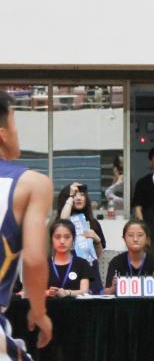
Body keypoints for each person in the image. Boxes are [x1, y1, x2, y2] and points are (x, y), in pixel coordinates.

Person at [0, 94, 53, 353]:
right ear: (2, 134)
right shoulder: (31, 183)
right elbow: (33, 260)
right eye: (15, 123)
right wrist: (39, 311)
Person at [56, 181, 105, 293]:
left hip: (92, 275)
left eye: (82, 195)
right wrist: (70, 196)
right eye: (75, 195)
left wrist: (97, 239)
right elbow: (63, 221)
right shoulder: (60, 224)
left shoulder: (93, 223)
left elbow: (98, 255)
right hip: (70, 274)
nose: (79, 198)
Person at [104, 219, 154, 293]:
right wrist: (113, 289)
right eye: (130, 235)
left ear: (147, 239)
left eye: (140, 235)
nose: (135, 239)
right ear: (124, 238)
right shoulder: (116, 262)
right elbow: (106, 291)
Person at [45, 219, 91, 297]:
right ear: (51, 239)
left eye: (67, 237)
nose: (62, 241)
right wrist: (48, 292)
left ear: (73, 239)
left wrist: (67, 293)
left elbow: (84, 291)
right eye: (57, 237)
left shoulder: (82, 264)